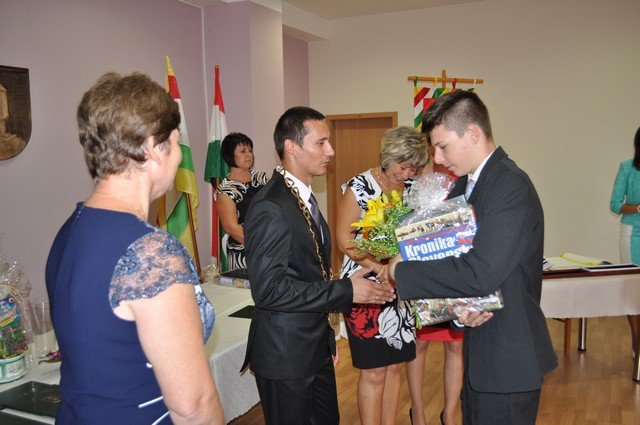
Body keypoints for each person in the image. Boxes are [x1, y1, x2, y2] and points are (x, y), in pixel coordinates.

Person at [45, 72, 224, 425]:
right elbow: (193, 405)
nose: (179, 157)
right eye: (177, 143)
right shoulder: (151, 252)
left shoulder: (70, 229)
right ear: (153, 148)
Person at [389, 90, 557, 425]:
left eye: (443, 146)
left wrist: (403, 271)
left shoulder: (509, 185)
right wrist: (458, 311)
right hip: (482, 354)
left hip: (509, 359)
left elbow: (480, 272)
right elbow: (459, 258)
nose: (438, 159)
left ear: (472, 133)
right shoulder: (466, 185)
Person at [241, 106, 396, 425]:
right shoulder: (271, 205)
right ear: (292, 147)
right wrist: (346, 290)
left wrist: (327, 339)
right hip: (286, 355)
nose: (331, 151)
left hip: (314, 346)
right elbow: (269, 290)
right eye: (321, 143)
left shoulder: (302, 198)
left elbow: (309, 272)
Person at [335, 126, 427, 425]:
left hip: (401, 284)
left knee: (395, 366)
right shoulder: (359, 186)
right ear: (389, 156)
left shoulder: (412, 189)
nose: (408, 173)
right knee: (374, 370)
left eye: (414, 168)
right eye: (404, 166)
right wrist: (379, 267)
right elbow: (344, 240)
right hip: (365, 285)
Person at [406, 140, 464, 425]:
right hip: (425, 273)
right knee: (419, 344)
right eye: (434, 147)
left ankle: (449, 413)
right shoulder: (416, 181)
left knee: (455, 346)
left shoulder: (463, 178)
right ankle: (417, 411)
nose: (439, 154)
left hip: (454, 274)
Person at [609, 126, 640, 360]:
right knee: (633, 291)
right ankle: (636, 342)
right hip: (632, 236)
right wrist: (638, 207)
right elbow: (615, 204)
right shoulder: (627, 167)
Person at [216, 132, 268, 270]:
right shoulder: (225, 190)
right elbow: (232, 228)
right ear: (230, 155)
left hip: (271, 246)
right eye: (243, 151)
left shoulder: (261, 178)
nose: (249, 155)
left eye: (250, 150)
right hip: (244, 253)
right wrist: (263, 244)